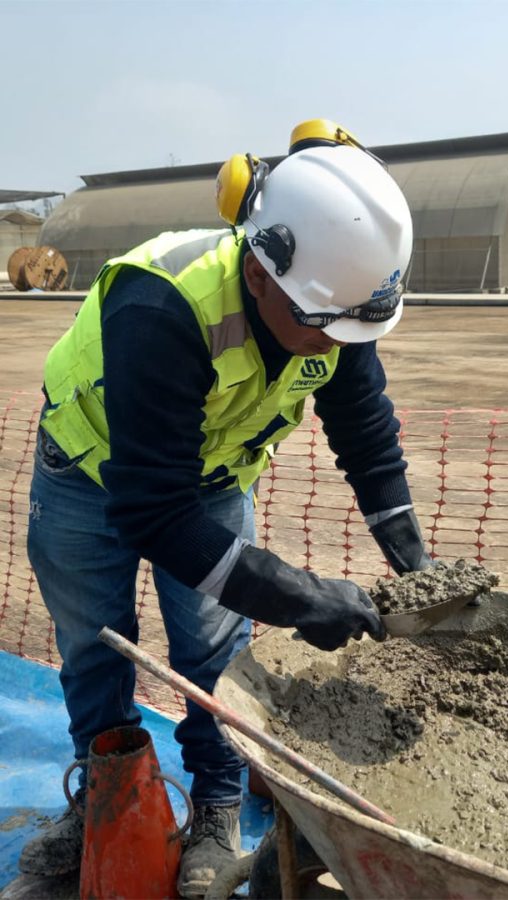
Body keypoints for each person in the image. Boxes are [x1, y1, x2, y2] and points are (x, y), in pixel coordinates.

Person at [20, 119, 433, 897]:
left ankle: (216, 804)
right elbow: (153, 513)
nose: (334, 347)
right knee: (94, 650)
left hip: (208, 481)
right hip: (86, 472)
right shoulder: (162, 305)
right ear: (260, 274)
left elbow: (368, 438)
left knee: (215, 662)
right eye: (323, 326)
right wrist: (299, 597)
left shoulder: (331, 306)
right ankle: (103, 807)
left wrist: (420, 570)